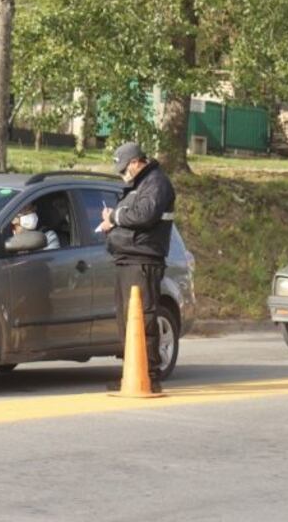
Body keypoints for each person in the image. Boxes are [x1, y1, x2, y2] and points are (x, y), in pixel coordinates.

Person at [98, 141, 175, 391]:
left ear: (135, 162)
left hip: (143, 260)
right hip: (126, 258)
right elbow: (130, 214)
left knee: (144, 318)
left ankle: (149, 376)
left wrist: (113, 218)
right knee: (128, 321)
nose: (123, 174)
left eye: (124, 169)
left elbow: (144, 215)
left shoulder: (156, 183)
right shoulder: (138, 185)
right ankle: (132, 372)